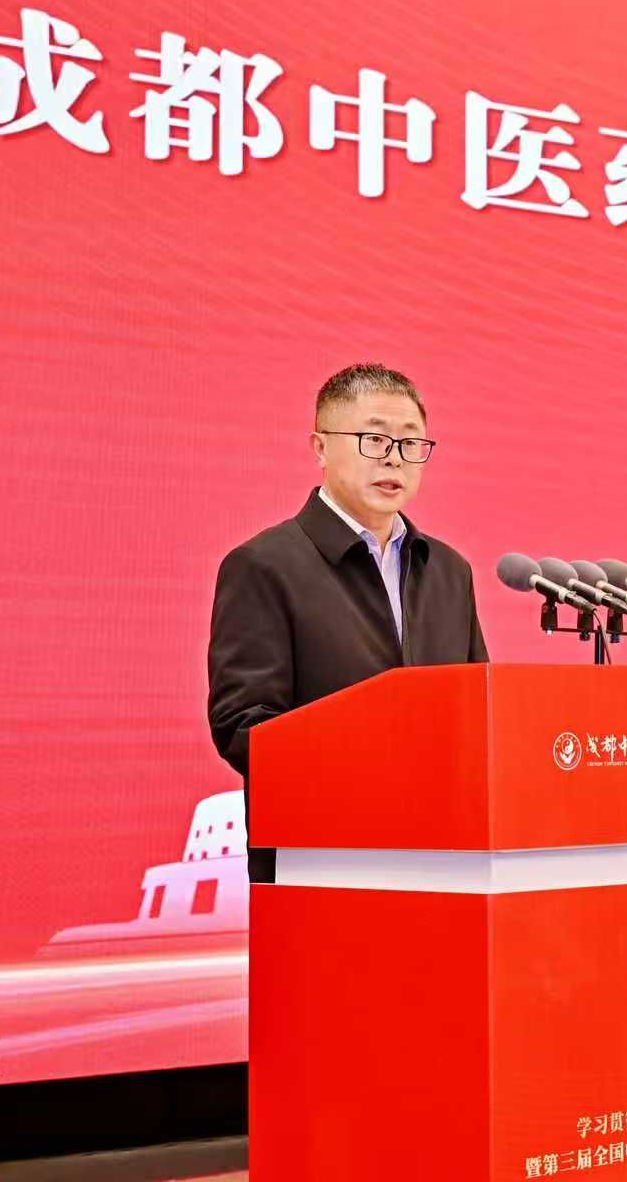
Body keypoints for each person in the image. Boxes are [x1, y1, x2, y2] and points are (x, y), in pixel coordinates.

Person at [207, 363, 487, 881]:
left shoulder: (449, 571)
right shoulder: (264, 566)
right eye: (374, 439)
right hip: (321, 862)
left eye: (410, 442)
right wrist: (377, 763)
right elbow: (243, 728)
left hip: (443, 856)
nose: (394, 458)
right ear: (320, 447)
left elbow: (476, 713)